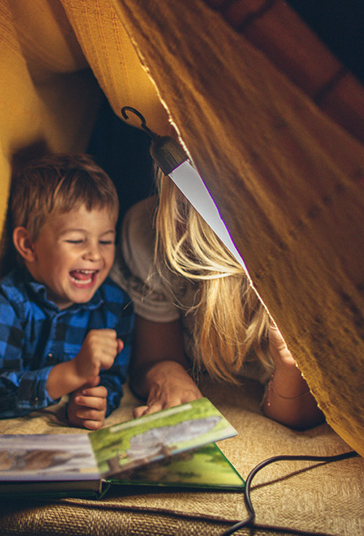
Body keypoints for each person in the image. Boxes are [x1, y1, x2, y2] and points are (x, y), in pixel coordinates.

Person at [110, 172, 324, 430]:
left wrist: (289, 369)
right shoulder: (149, 232)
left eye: (194, 211)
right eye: (177, 204)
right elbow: (155, 356)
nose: (175, 227)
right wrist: (167, 373)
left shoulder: (292, 272)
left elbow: (296, 415)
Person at [0, 154, 134, 430]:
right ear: (28, 245)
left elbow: (112, 378)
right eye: (76, 240)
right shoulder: (9, 300)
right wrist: (72, 373)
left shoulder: (117, 306)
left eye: (106, 240)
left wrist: (94, 402)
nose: (95, 254)